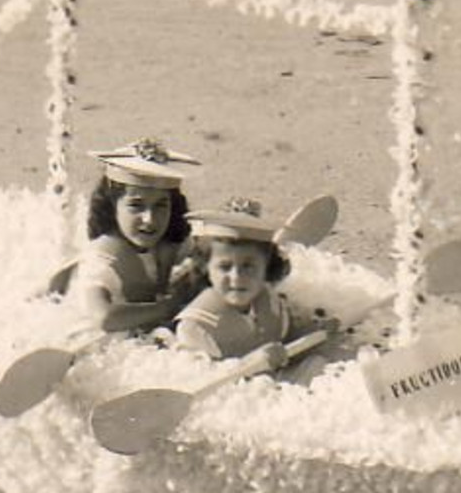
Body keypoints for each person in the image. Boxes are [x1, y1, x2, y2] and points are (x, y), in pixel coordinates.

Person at [173, 198, 339, 370]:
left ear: (265, 267)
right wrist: (251, 364)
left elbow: (286, 341)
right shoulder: (195, 327)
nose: (237, 277)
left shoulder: (271, 303)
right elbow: (196, 378)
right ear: (207, 268)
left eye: (248, 266)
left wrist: (312, 334)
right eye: (225, 267)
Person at [74, 138, 206, 334]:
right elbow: (103, 317)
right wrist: (168, 307)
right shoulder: (102, 257)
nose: (149, 219)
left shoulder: (172, 243)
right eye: (136, 205)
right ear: (113, 206)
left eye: (161, 206)